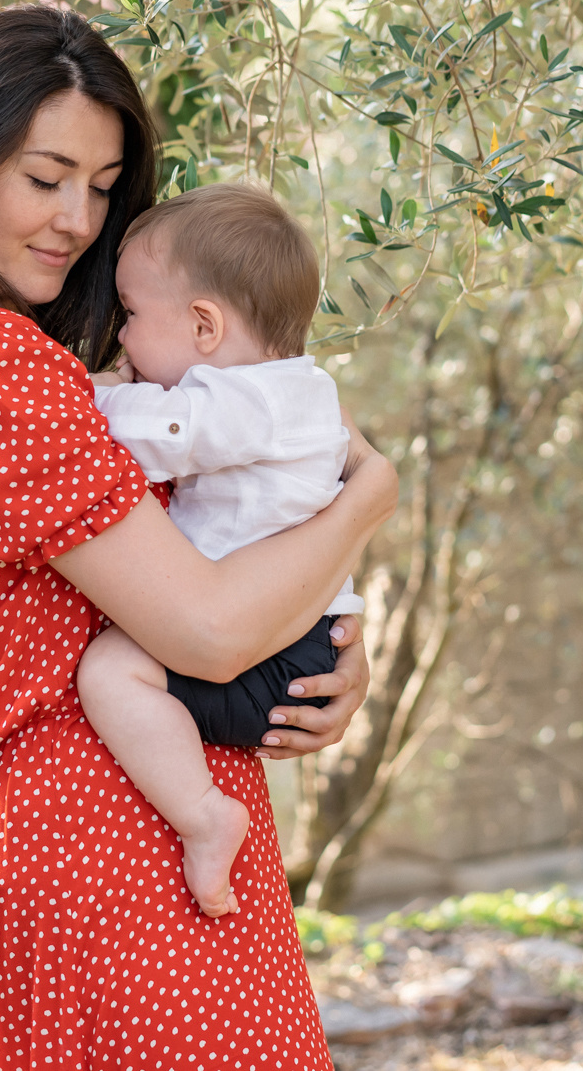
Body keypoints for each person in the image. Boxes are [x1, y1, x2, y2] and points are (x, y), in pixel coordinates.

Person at [0, 3, 397, 1069]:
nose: (76, 220)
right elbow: (207, 628)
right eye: (44, 178)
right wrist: (366, 502)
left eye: (99, 187)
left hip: (131, 814)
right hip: (111, 833)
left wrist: (319, 657)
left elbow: (246, 539)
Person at [78, 183, 365, 919]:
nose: (123, 340)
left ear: (205, 326)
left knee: (111, 670)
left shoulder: (249, 403)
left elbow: (167, 435)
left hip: (273, 650)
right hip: (296, 639)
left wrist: (85, 391)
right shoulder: (301, 393)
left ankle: (203, 814)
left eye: (132, 317)